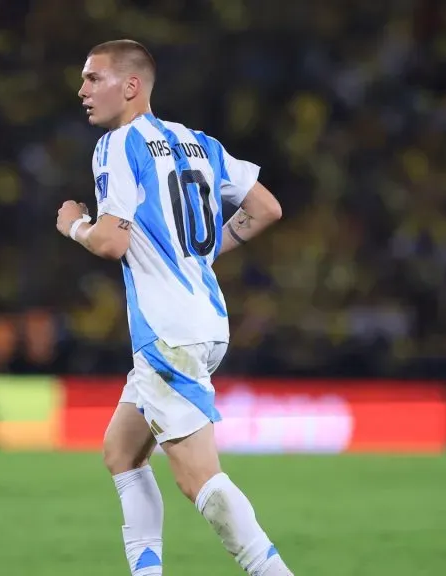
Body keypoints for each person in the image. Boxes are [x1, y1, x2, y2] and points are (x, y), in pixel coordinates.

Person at [55, 40, 291, 576]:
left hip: (166, 331)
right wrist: (199, 255)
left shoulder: (118, 145)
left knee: (197, 477)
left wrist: (74, 224)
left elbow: (111, 242)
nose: (82, 90)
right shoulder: (198, 144)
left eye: (93, 79)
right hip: (206, 322)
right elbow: (266, 209)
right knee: (122, 452)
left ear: (130, 86)